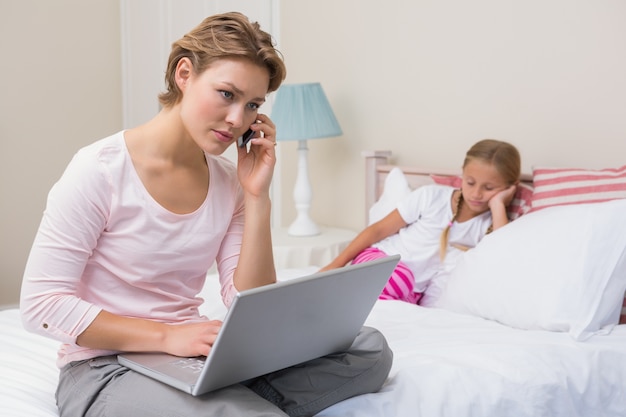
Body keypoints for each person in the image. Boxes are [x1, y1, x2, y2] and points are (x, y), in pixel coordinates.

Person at [20, 12, 392, 417]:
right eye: (227, 94)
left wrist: (256, 196)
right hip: (106, 366)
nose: (238, 120)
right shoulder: (100, 170)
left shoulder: (230, 182)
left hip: (195, 361)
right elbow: (41, 305)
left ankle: (226, 402)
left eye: (252, 105)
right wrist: (167, 336)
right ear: (184, 74)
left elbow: (250, 302)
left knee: (370, 349)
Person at [321, 139, 521, 305]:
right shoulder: (431, 196)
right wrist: (335, 265)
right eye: (470, 182)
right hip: (379, 262)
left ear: (509, 188)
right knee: (399, 277)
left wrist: (497, 205)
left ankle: (357, 310)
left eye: (489, 188)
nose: (476, 193)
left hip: (411, 291)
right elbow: (378, 230)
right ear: (462, 174)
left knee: (406, 298)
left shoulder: (488, 226)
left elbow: (500, 257)